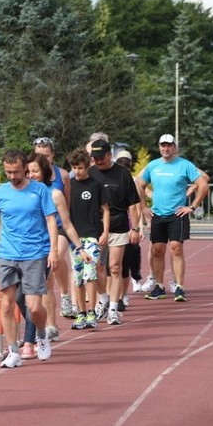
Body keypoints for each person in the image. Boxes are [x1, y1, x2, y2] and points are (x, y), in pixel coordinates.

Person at [0, 149, 58, 368]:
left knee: (33, 307)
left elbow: (51, 220)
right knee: (6, 304)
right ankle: (13, 350)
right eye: (8, 172)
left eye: (15, 172)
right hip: (7, 253)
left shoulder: (40, 190)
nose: (12, 176)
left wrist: (53, 250)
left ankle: (41, 335)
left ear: (25, 168)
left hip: (34, 254)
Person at [15, 152, 84, 356]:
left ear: (45, 172)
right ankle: (41, 327)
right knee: (23, 295)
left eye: (35, 171)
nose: (31, 174)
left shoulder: (54, 194)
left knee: (38, 288)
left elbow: (67, 223)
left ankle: (35, 338)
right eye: (28, 171)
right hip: (30, 245)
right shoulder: (24, 193)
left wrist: (79, 248)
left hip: (52, 241)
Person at [136, 134, 209, 302]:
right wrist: (144, 207)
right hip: (157, 214)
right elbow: (139, 184)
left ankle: (179, 287)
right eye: (163, 145)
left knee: (176, 248)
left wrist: (192, 207)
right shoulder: (153, 165)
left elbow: (203, 184)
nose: (166, 148)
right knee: (157, 250)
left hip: (177, 214)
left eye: (169, 145)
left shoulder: (185, 165)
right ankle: (159, 286)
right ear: (159, 147)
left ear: (174, 147)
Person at [88, 139, 141, 325]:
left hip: (119, 226)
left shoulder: (122, 174)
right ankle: (102, 299)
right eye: (95, 158)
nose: (98, 161)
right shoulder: (89, 173)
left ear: (110, 155)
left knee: (115, 267)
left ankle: (113, 308)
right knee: (96, 268)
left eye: (101, 157)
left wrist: (135, 228)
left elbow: (133, 204)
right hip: (95, 228)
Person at [66, 148, 109, 329]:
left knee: (90, 273)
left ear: (87, 167)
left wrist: (105, 232)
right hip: (74, 237)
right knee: (77, 277)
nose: (77, 171)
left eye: (81, 168)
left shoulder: (96, 185)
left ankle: (92, 312)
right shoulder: (69, 185)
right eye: (74, 168)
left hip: (92, 236)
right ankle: (81, 313)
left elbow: (105, 210)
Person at [33, 137, 74, 323]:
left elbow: (68, 202)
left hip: (59, 226)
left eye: (46, 156)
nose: (43, 160)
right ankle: (51, 325)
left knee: (54, 262)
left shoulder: (63, 175)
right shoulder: (30, 176)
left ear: (53, 155)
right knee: (46, 279)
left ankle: (65, 294)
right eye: (39, 156)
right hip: (39, 230)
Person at [114, 150, 145, 305]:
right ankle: (114, 296)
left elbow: (138, 208)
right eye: (120, 164)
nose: (123, 167)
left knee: (125, 264)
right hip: (115, 227)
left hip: (129, 227)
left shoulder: (134, 182)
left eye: (126, 164)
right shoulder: (110, 180)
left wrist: (139, 228)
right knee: (114, 265)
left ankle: (123, 295)